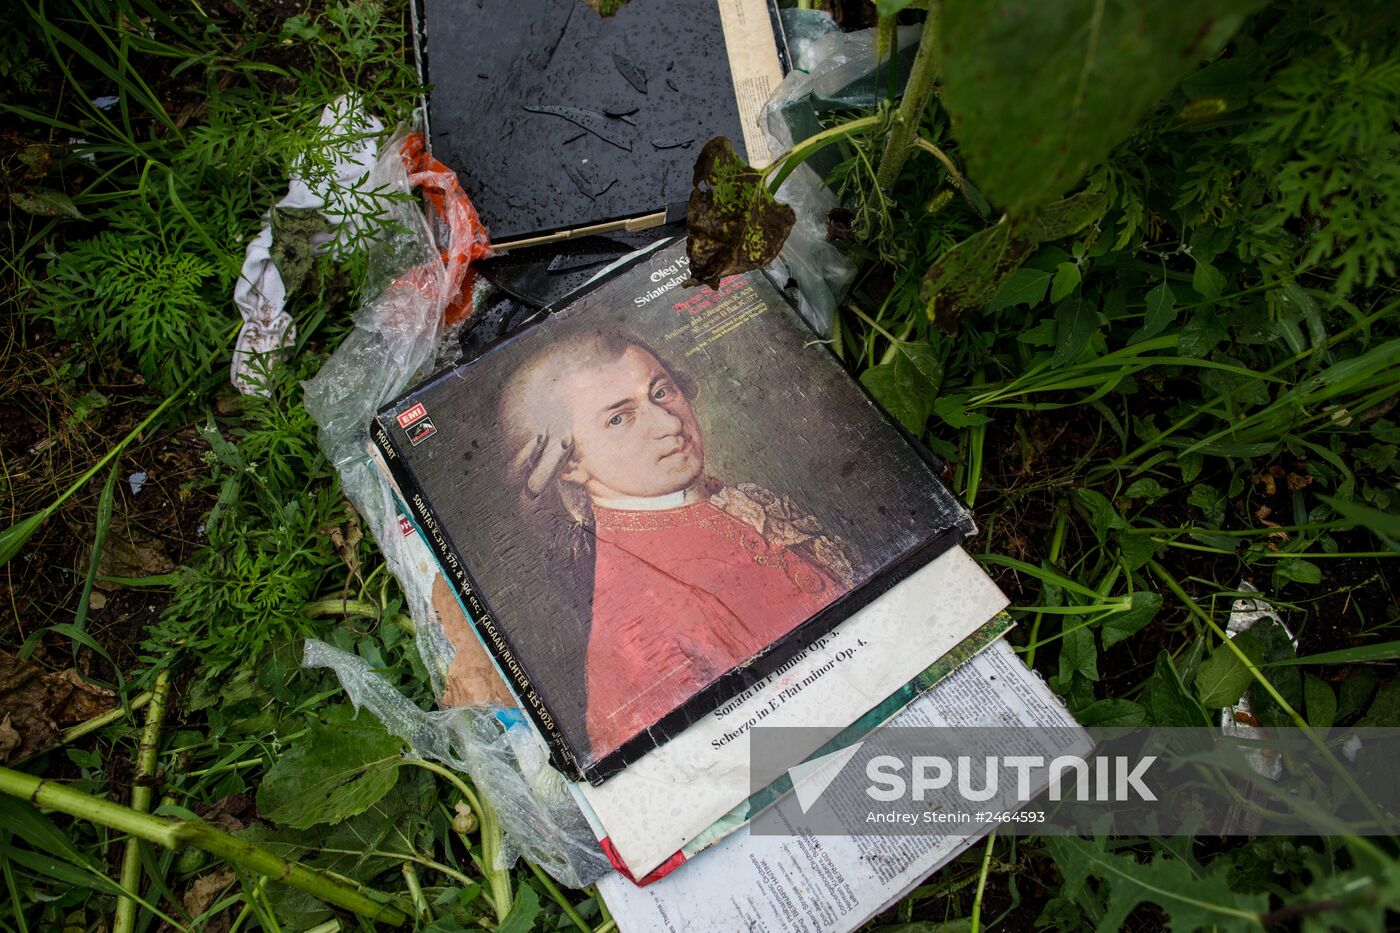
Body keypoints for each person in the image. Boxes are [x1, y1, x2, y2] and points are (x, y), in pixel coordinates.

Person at [500, 330, 862, 758]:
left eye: (661, 392)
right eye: (619, 418)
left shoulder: (736, 497)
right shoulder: (636, 630)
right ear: (571, 463)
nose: (670, 424)